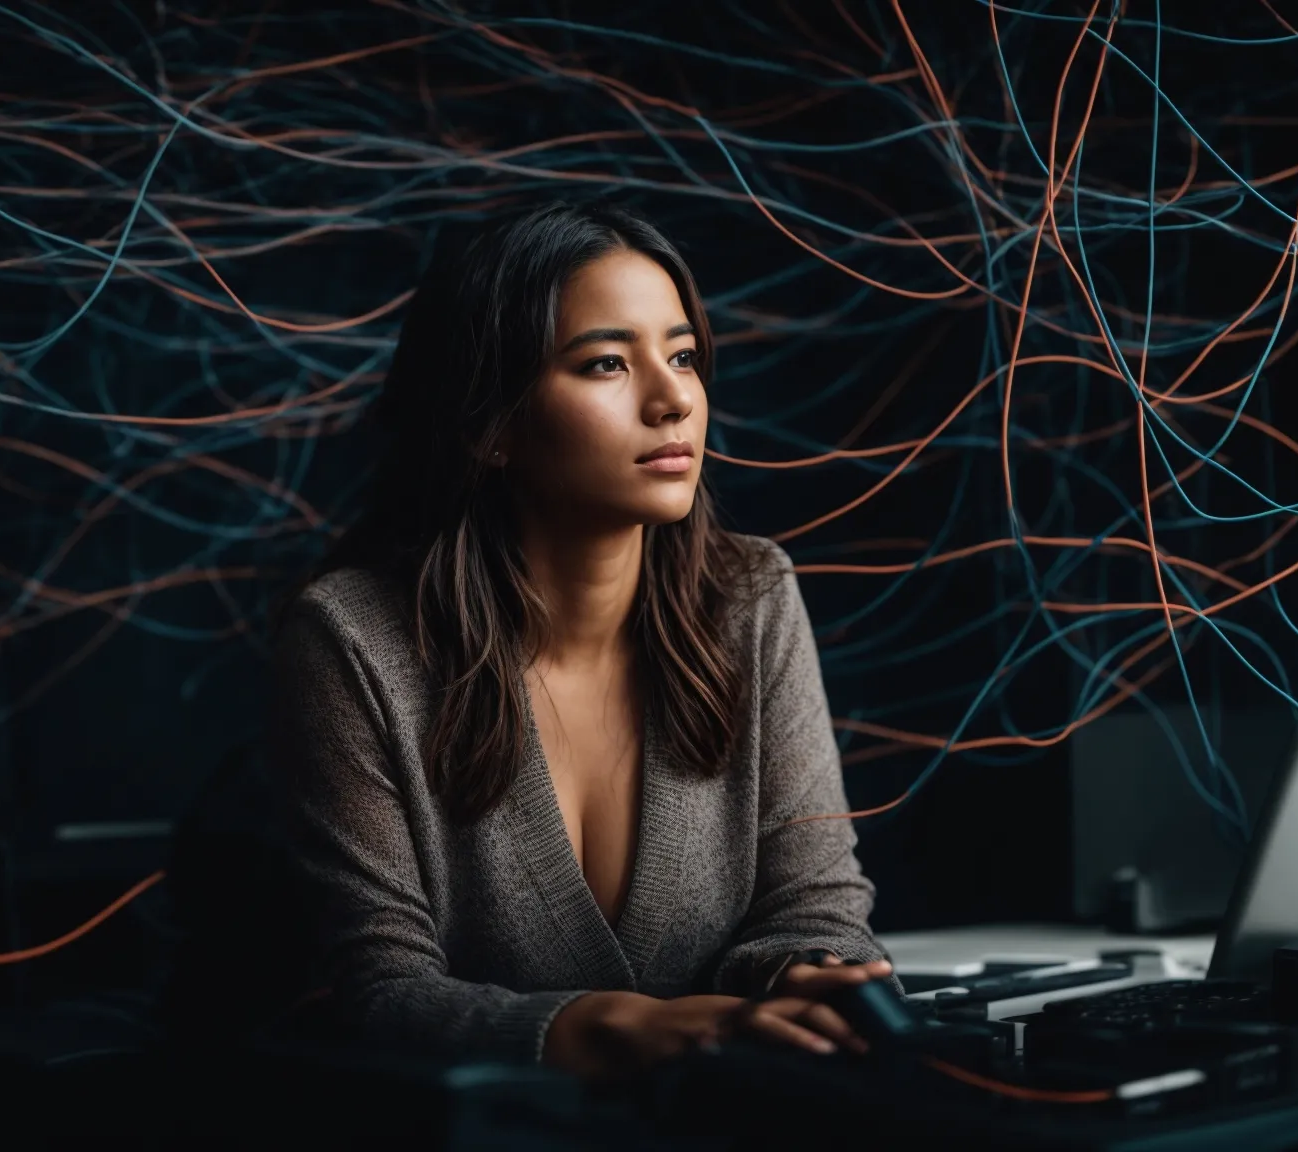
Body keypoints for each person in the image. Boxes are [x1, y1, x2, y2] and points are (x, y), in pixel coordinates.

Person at [269, 200, 895, 1081]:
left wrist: (815, 981)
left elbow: (816, 907)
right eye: (606, 363)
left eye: (682, 356)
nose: (674, 397)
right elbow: (374, 988)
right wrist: (605, 1028)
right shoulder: (353, 641)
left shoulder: (752, 598)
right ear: (489, 424)